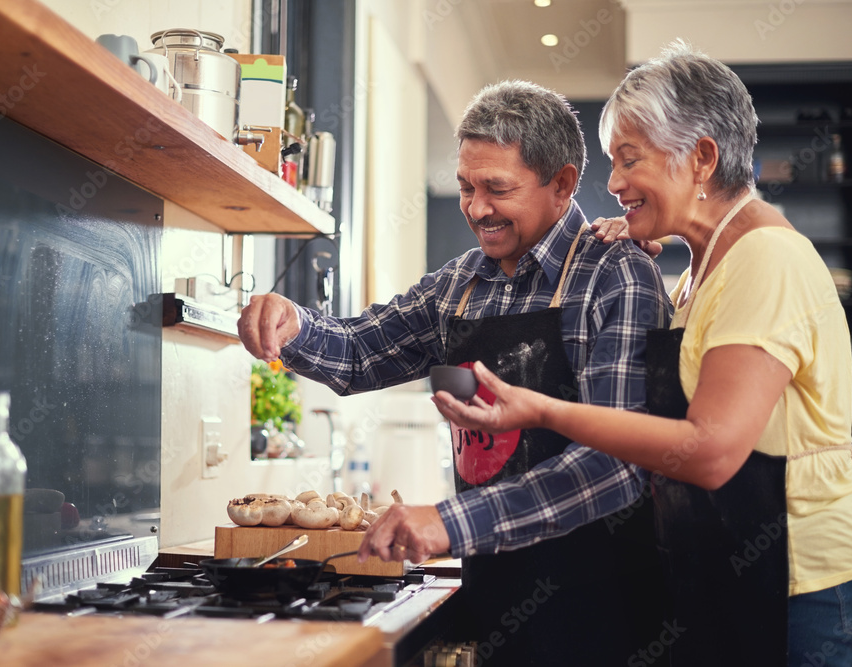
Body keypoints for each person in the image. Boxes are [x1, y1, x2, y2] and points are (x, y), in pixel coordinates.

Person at [430, 43, 852, 667]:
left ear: (700, 158)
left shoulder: (765, 259)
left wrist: (541, 410)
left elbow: (712, 450)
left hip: (806, 581)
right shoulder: (697, 267)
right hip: (737, 569)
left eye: (629, 160)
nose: (611, 184)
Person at [239, 80, 673, 665]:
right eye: (467, 186)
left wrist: (450, 521)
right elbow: (361, 350)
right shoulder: (460, 284)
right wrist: (293, 324)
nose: (474, 208)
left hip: (600, 599)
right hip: (493, 581)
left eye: (497, 189)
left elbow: (617, 463)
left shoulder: (614, 275)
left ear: (563, 184)